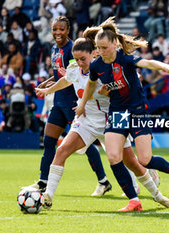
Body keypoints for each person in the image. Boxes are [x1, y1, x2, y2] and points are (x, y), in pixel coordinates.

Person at [37, 37, 169, 211]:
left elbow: (125, 90)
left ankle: (158, 196)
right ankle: (48, 197)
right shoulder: (74, 68)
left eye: (83, 59)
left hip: (110, 121)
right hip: (86, 121)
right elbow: (66, 80)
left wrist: (107, 94)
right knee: (61, 151)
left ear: (93, 54)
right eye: (77, 59)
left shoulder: (105, 69)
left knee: (133, 163)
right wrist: (47, 90)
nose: (80, 63)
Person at [79, 17, 169, 211]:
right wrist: (82, 105)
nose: (101, 52)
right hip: (118, 112)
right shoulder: (97, 65)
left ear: (114, 44)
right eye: (98, 47)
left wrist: (166, 67)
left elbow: (148, 63)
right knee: (114, 157)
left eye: (104, 48)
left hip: (137, 111)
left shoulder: (126, 59)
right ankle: (133, 200)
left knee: (144, 160)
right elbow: (90, 84)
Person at [22, 16, 111, 197]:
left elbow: (74, 78)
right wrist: (47, 85)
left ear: (67, 30)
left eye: (61, 29)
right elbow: (61, 75)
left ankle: (103, 181)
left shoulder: (73, 49)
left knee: (83, 144)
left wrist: (80, 101)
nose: (57, 33)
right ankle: (43, 181)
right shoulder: (55, 49)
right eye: (55, 29)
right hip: (59, 102)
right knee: (48, 141)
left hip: (73, 103)